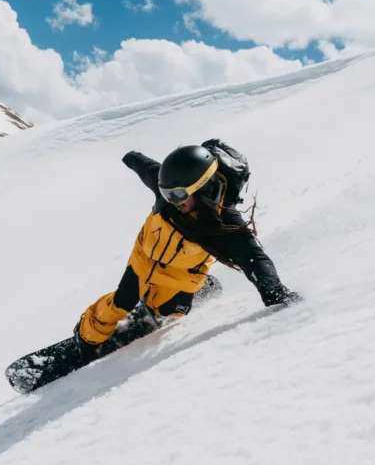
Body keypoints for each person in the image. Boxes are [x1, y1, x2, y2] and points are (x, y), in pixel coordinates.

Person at [73, 141, 302, 358]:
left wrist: (273, 290)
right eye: (166, 194)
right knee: (122, 302)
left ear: (202, 189)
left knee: (168, 310)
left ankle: (162, 306)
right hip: (144, 257)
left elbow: (253, 257)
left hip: (183, 274)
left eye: (178, 195)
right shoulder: (171, 195)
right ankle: (86, 336)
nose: (172, 201)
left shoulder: (224, 221)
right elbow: (147, 168)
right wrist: (131, 157)